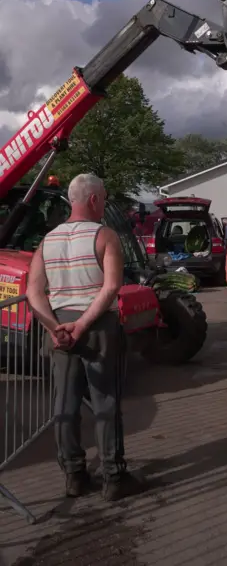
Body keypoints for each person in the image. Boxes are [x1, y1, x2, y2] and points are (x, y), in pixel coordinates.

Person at [26, 173, 136, 501]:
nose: (103, 202)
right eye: (102, 197)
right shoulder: (105, 236)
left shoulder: (48, 240)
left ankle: (74, 476)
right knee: (105, 402)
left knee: (65, 404)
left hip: (60, 328)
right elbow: (112, 286)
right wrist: (84, 324)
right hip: (98, 327)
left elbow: (34, 290)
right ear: (92, 200)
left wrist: (53, 328)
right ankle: (114, 478)